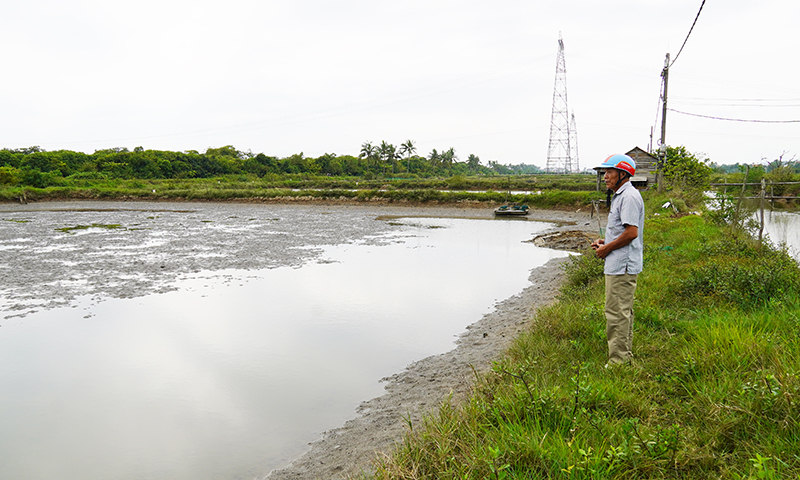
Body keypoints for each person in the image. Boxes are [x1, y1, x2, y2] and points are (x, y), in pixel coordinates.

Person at [590, 154, 644, 366]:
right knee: (622, 312)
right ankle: (624, 357)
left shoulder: (628, 196)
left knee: (616, 313)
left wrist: (606, 249)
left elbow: (631, 233)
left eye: (609, 172)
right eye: (604, 172)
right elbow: (623, 230)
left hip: (622, 265)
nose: (605, 176)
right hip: (619, 262)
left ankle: (618, 363)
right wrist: (606, 241)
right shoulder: (622, 195)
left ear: (623, 174)